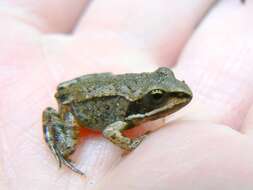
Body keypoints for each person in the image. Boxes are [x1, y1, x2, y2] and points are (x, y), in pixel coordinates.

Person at [0, 1, 252, 189]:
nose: (171, 98)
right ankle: (59, 147)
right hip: (74, 107)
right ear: (146, 99)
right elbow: (111, 131)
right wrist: (133, 143)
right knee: (67, 148)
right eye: (157, 96)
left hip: (100, 87)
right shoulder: (126, 119)